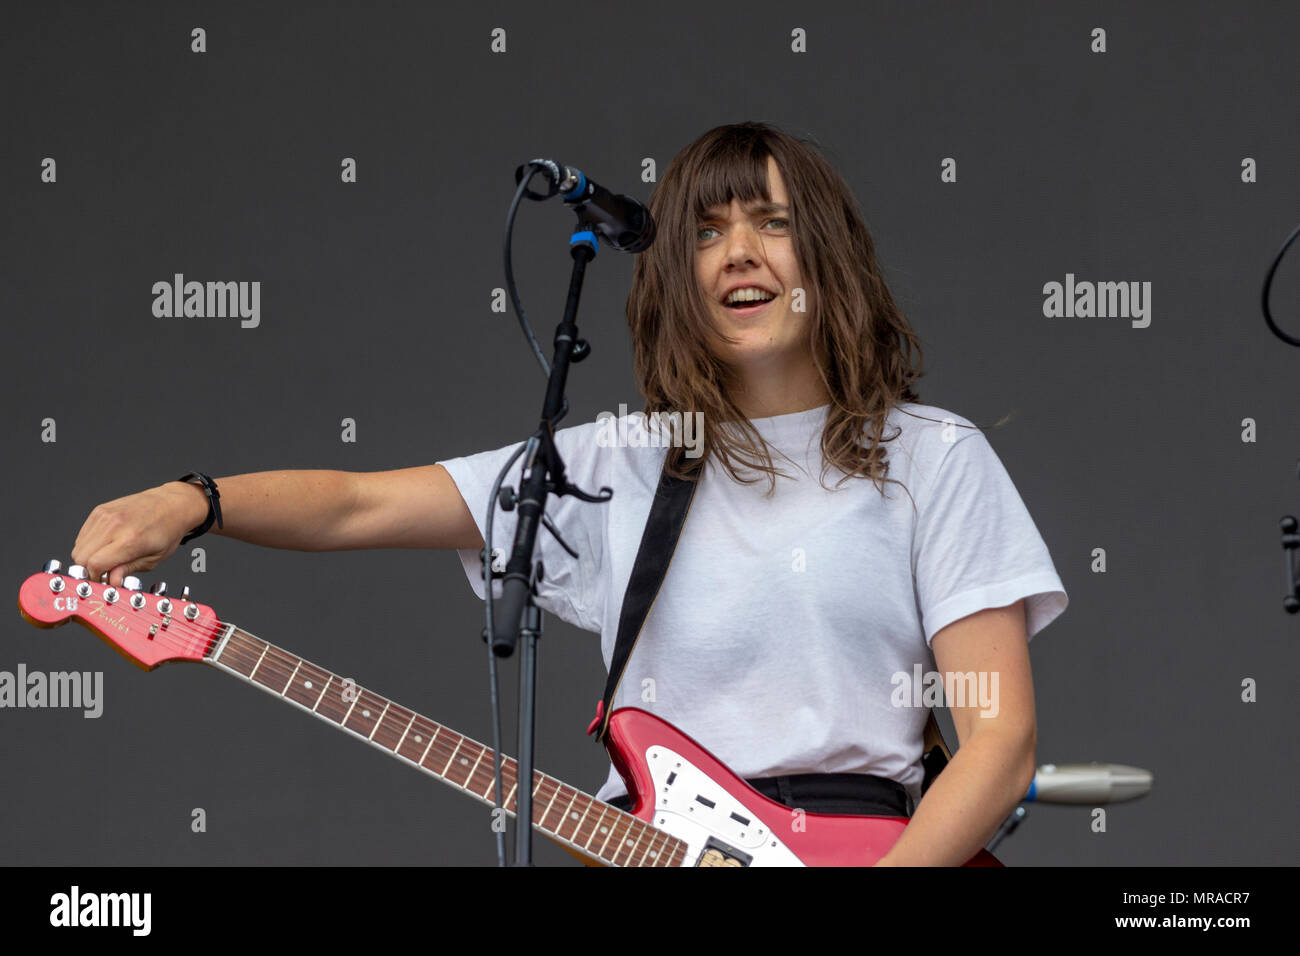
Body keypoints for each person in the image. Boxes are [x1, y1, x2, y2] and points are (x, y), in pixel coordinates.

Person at [71, 121, 1067, 866]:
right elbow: (357, 504)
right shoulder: (621, 460)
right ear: (679, 273)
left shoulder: (930, 458)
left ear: (825, 256)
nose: (739, 253)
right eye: (707, 232)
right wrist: (195, 499)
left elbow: (999, 733)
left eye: (771, 222)